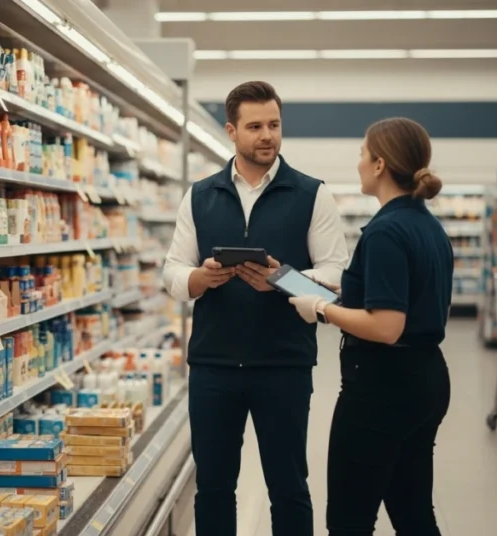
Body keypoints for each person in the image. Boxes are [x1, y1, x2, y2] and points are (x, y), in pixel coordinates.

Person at [162, 81, 349, 536]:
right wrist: (199, 279)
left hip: (282, 365)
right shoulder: (200, 194)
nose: (267, 135)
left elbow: (334, 276)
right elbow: (171, 272)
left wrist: (281, 281)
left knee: (288, 487)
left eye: (274, 125)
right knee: (213, 488)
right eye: (255, 126)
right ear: (232, 131)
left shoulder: (310, 194)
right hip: (213, 367)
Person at [288, 117, 453, 536]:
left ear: (379, 164)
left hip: (382, 389)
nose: (358, 162)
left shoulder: (385, 231)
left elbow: (386, 326)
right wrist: (319, 284)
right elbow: (401, 301)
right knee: (414, 513)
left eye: (362, 153)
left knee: (348, 520)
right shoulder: (428, 226)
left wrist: (321, 309)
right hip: (426, 380)